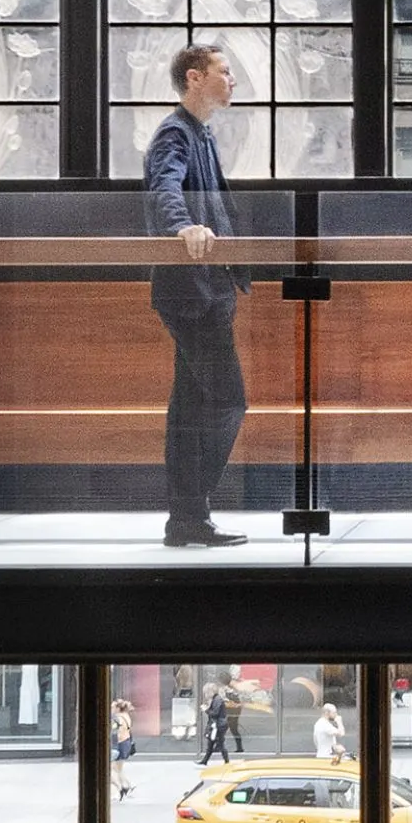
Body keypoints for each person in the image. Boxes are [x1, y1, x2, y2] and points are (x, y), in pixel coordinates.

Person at [145, 43, 253, 549]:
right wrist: (183, 226)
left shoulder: (201, 135)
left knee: (189, 409)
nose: (232, 80)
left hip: (206, 291)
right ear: (195, 78)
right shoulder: (175, 132)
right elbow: (163, 185)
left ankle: (186, 520)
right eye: (224, 71)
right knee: (228, 399)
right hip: (190, 293)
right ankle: (190, 507)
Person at [111, 699, 137, 800]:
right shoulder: (126, 716)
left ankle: (121, 788)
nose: (111, 709)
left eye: (113, 707)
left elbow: (116, 732)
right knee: (118, 769)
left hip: (119, 744)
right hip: (126, 743)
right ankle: (127, 786)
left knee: (113, 769)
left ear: (118, 708)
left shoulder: (118, 718)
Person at [199, 682, 231, 764]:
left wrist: (205, 710)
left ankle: (226, 761)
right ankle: (205, 761)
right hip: (218, 725)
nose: (205, 695)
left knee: (219, 744)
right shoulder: (216, 699)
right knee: (212, 743)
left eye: (206, 692)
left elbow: (215, 713)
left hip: (219, 725)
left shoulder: (217, 700)